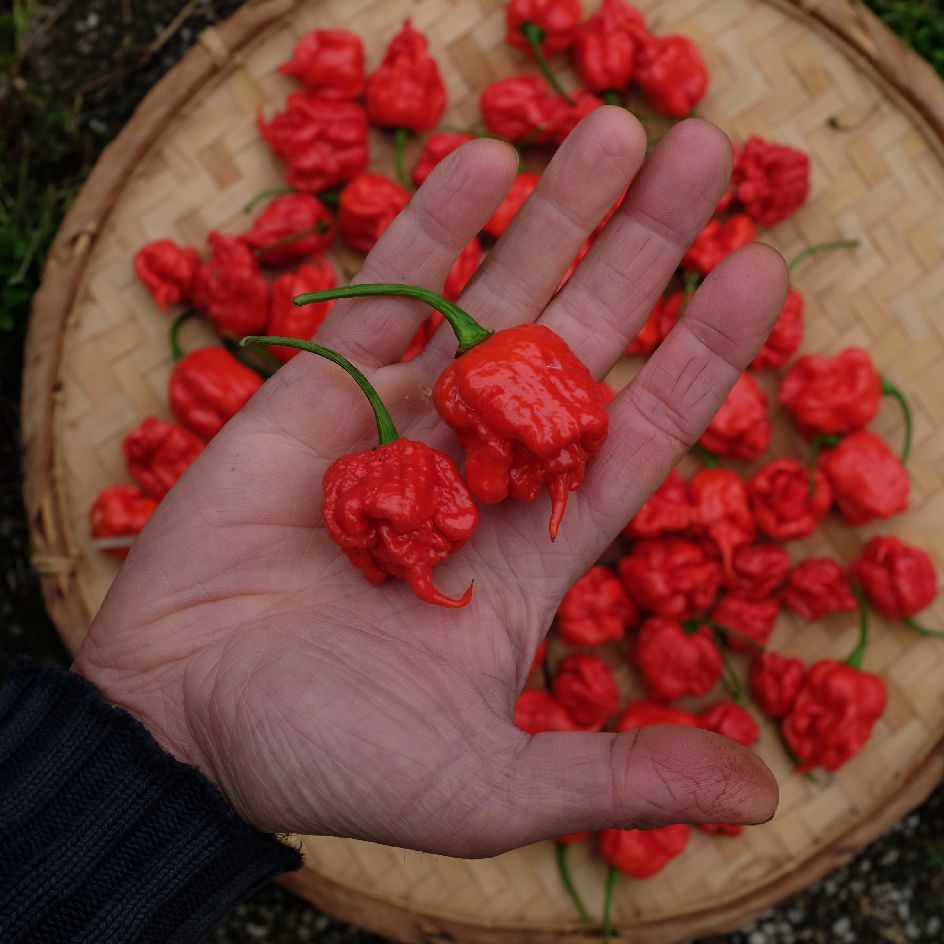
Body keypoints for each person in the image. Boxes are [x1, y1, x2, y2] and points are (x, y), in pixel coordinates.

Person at [1, 109, 786, 942]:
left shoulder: (458, 410)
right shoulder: (428, 435)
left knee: (536, 454)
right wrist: (171, 729)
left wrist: (163, 736)